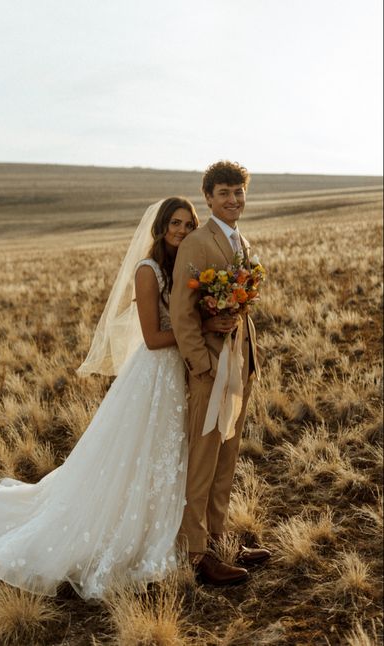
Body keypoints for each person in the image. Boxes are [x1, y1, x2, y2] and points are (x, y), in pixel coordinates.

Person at [0, 197, 198, 601]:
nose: (182, 230)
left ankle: (170, 527)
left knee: (167, 452)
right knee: (138, 453)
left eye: (189, 224)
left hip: (177, 375)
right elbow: (154, 339)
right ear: (160, 226)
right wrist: (197, 329)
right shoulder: (148, 270)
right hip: (155, 374)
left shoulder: (181, 267)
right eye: (175, 223)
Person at [170, 160, 271, 586]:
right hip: (211, 370)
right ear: (208, 197)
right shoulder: (197, 243)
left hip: (241, 367)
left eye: (239, 192)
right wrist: (203, 366)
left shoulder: (241, 241)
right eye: (225, 193)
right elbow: (181, 313)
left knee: (227, 458)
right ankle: (196, 554)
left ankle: (219, 538)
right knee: (203, 461)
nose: (233, 200)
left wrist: (248, 361)